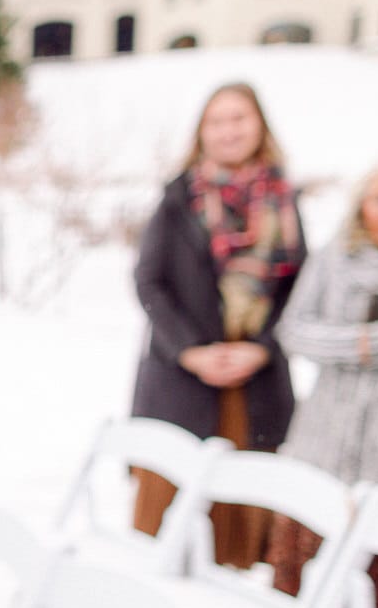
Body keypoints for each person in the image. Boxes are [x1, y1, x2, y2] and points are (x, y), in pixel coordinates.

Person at [130, 81, 307, 568]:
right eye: (218, 121)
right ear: (202, 132)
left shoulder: (284, 200)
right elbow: (149, 282)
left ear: (260, 127)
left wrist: (263, 348)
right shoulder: (177, 197)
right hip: (182, 375)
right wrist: (190, 351)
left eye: (240, 119)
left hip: (254, 380)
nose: (229, 131)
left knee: (244, 516)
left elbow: (298, 289)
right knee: (163, 507)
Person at [269, 159, 378, 608]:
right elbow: (295, 330)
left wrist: (361, 344)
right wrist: (365, 345)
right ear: (363, 206)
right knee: (312, 560)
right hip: (330, 434)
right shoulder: (335, 257)